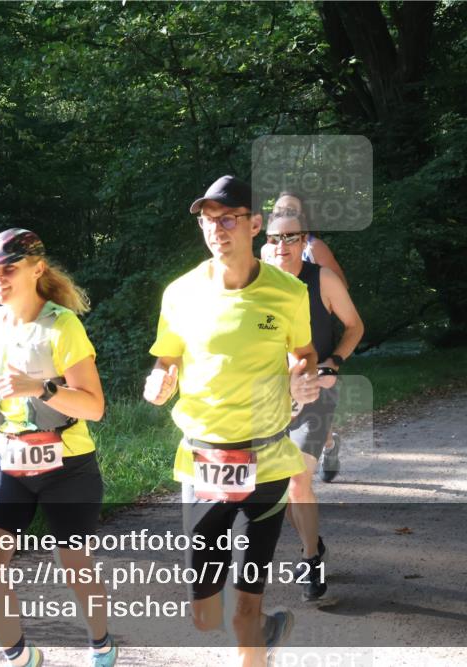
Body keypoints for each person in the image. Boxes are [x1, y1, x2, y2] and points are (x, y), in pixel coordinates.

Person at [143, 175, 320, 667]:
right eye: (207, 220)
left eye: (227, 219)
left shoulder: (287, 292)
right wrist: (159, 380)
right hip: (202, 461)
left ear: (254, 224)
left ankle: (254, 629)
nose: (216, 229)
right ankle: (266, 629)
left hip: (265, 459)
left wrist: (301, 378)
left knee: (243, 606)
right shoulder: (180, 293)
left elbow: (303, 354)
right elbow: (166, 359)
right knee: (204, 616)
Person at [0, 228, 117, 667]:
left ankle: (101, 647)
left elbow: (95, 407)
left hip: (68, 465)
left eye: (9, 268)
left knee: (75, 567)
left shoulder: (62, 326)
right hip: (5, 459)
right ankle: (22, 658)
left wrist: (40, 389)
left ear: (37, 269)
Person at [263, 212, 364, 603]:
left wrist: (334, 361)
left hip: (314, 392)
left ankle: (309, 559)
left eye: (291, 237)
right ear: (265, 241)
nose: (282, 246)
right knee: (288, 488)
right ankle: (314, 544)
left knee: (298, 479)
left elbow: (355, 326)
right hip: (269, 398)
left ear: (304, 239)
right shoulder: (255, 284)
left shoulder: (322, 279)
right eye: (276, 238)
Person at [261, 192, 348, 287]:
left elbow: (341, 286)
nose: (283, 213)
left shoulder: (314, 247)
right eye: (279, 209)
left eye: (290, 209)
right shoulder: (266, 250)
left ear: (303, 216)